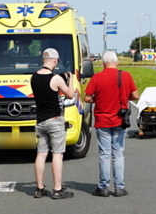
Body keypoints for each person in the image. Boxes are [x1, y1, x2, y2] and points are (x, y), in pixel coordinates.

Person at [83, 51, 139, 197]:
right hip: (120, 120)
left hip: (102, 120)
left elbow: (87, 98)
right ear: (117, 62)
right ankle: (119, 187)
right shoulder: (126, 76)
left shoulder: (97, 77)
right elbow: (135, 96)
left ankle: (103, 187)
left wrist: (98, 99)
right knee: (118, 154)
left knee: (104, 155)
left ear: (103, 64)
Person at [31, 48, 79, 198]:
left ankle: (39, 188)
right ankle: (57, 189)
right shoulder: (56, 78)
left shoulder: (33, 77)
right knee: (57, 155)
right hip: (55, 120)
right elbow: (70, 94)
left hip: (40, 120)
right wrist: (70, 80)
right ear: (54, 60)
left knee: (41, 154)